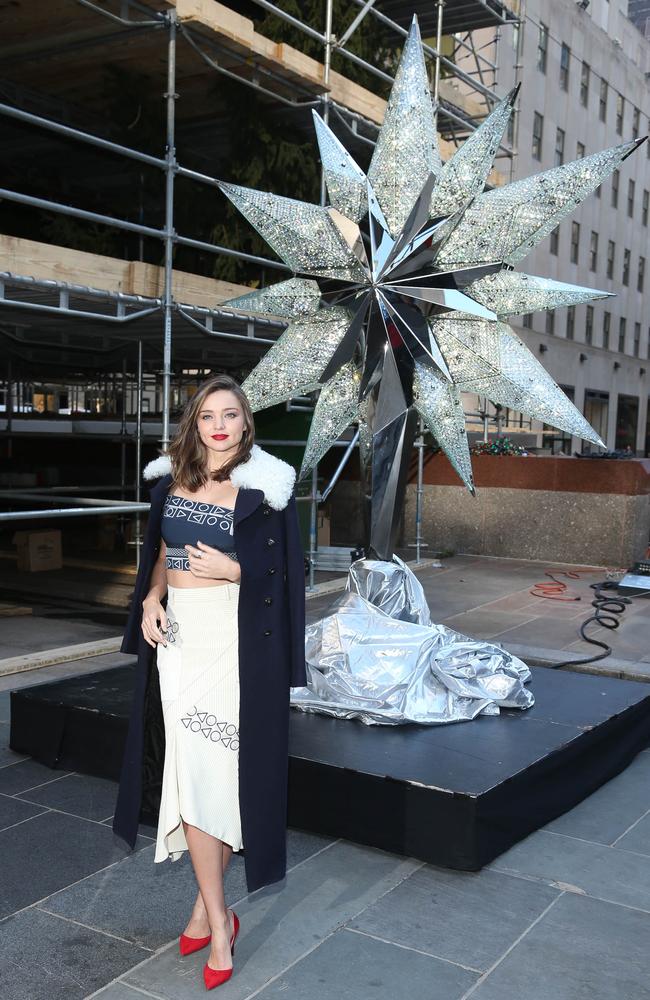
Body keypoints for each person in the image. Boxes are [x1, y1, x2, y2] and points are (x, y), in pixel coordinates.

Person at [112, 373, 307, 990]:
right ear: (193, 425)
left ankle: (211, 917)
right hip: (179, 644)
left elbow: (289, 579)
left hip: (236, 645)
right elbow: (160, 559)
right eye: (206, 416)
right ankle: (216, 913)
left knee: (217, 779)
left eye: (230, 415)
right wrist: (150, 598)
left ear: (246, 424)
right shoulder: (169, 482)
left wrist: (237, 569)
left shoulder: (266, 491)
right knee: (195, 774)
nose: (218, 425)